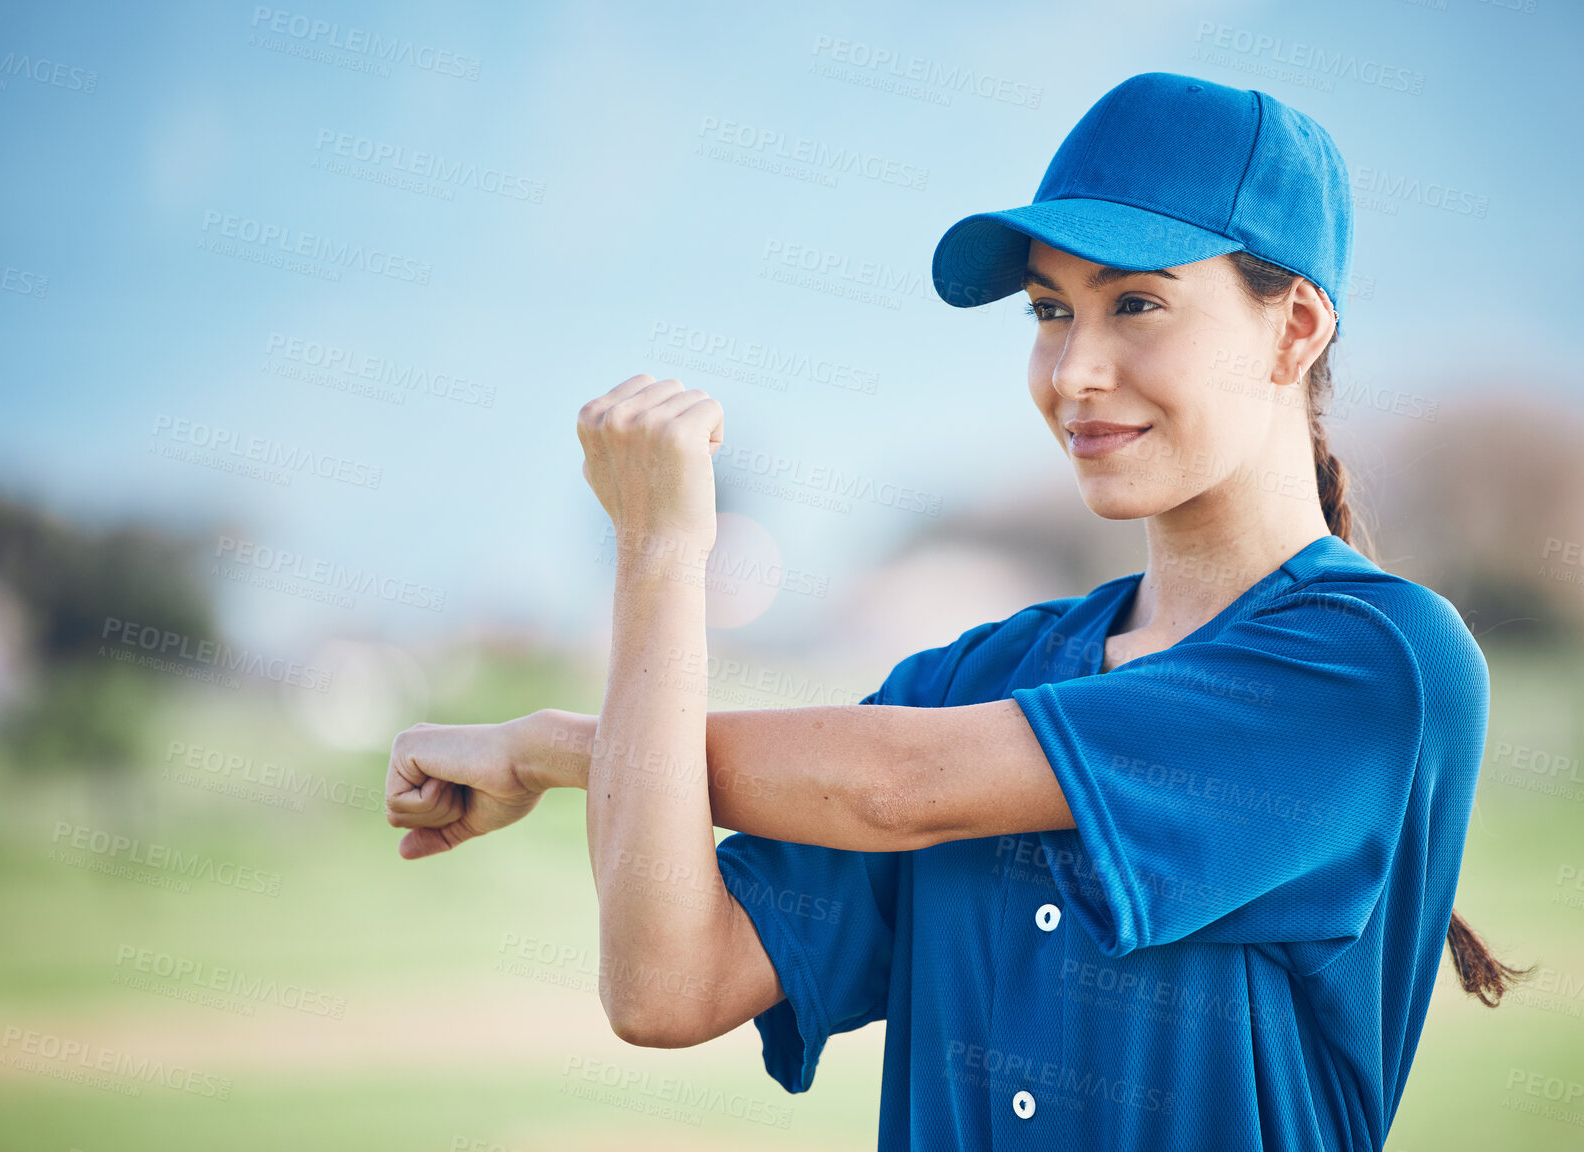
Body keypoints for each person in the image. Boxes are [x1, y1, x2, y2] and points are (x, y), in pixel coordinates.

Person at [386, 72, 1529, 1149]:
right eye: (1048, 310)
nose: (1075, 370)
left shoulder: (1376, 660)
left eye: (1136, 304)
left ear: (1297, 329)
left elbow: (899, 788)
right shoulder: (966, 682)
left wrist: (555, 751)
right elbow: (662, 985)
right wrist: (656, 555)